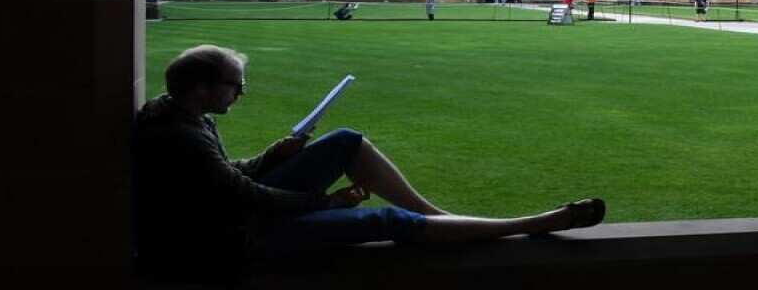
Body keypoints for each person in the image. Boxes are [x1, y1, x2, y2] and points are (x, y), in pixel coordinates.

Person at [133, 45, 606, 283]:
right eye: (235, 85)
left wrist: (271, 156)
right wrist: (328, 202)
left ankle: (437, 217)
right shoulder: (180, 135)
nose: (241, 93)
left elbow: (225, 176)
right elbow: (246, 197)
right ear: (201, 87)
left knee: (346, 142)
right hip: (229, 238)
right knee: (387, 220)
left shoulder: (181, 112)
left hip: (226, 213)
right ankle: (532, 224)